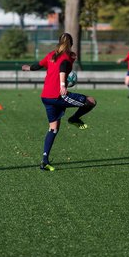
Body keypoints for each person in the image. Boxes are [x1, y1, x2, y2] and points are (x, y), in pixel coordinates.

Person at [22, 33, 97, 172]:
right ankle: (74, 118)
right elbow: (63, 67)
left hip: (46, 97)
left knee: (53, 128)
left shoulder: (51, 54)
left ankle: (44, 160)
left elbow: (37, 66)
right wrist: (63, 84)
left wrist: (26, 68)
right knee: (91, 101)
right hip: (58, 95)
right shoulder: (67, 56)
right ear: (71, 43)